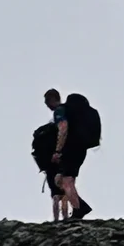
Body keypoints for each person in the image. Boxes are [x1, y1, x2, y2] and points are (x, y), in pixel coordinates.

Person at [44, 89, 99, 223]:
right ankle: (78, 208)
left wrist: (57, 151)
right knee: (65, 180)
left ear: (51, 100)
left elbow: (63, 128)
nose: (47, 105)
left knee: (64, 181)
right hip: (80, 148)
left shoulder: (60, 111)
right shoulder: (73, 112)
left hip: (71, 148)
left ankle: (79, 209)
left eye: (46, 102)